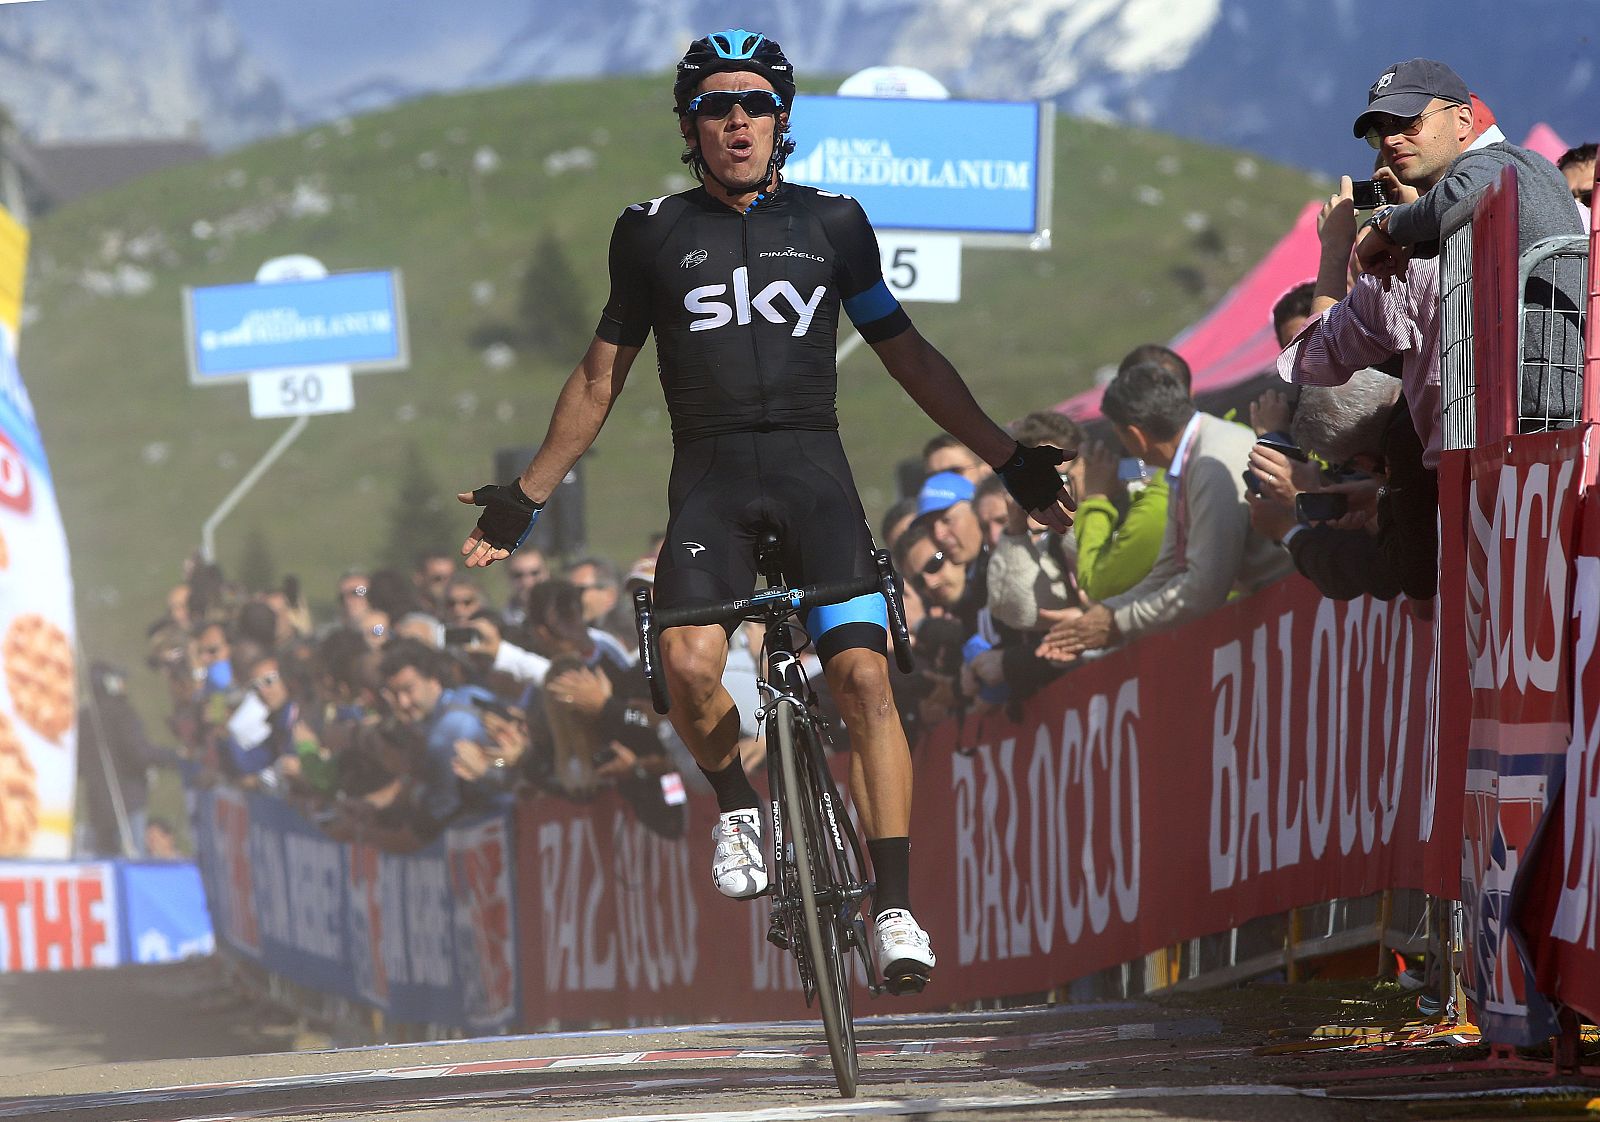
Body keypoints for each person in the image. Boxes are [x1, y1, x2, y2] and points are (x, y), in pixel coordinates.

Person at [456, 28, 1073, 992]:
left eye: (753, 103)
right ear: (689, 124)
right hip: (708, 482)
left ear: (782, 121)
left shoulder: (835, 222)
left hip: (813, 474)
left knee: (865, 679)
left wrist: (1007, 458)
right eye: (714, 104)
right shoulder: (650, 231)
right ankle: (737, 801)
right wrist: (525, 498)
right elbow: (599, 375)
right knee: (691, 663)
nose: (735, 119)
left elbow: (909, 352)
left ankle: (897, 906)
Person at [1353, 59, 1583, 429]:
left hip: (1548, 414)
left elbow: (1459, 195)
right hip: (1532, 409)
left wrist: (1385, 227)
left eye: (1408, 121)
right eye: (1380, 131)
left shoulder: (1499, 162)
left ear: (1462, 120)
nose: (1392, 139)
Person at [1038, 363, 1291, 661]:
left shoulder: (1209, 462)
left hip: (1289, 608)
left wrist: (1116, 623)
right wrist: (1104, 616)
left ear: (1135, 435)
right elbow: (1169, 568)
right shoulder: (1189, 458)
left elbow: (1204, 587)